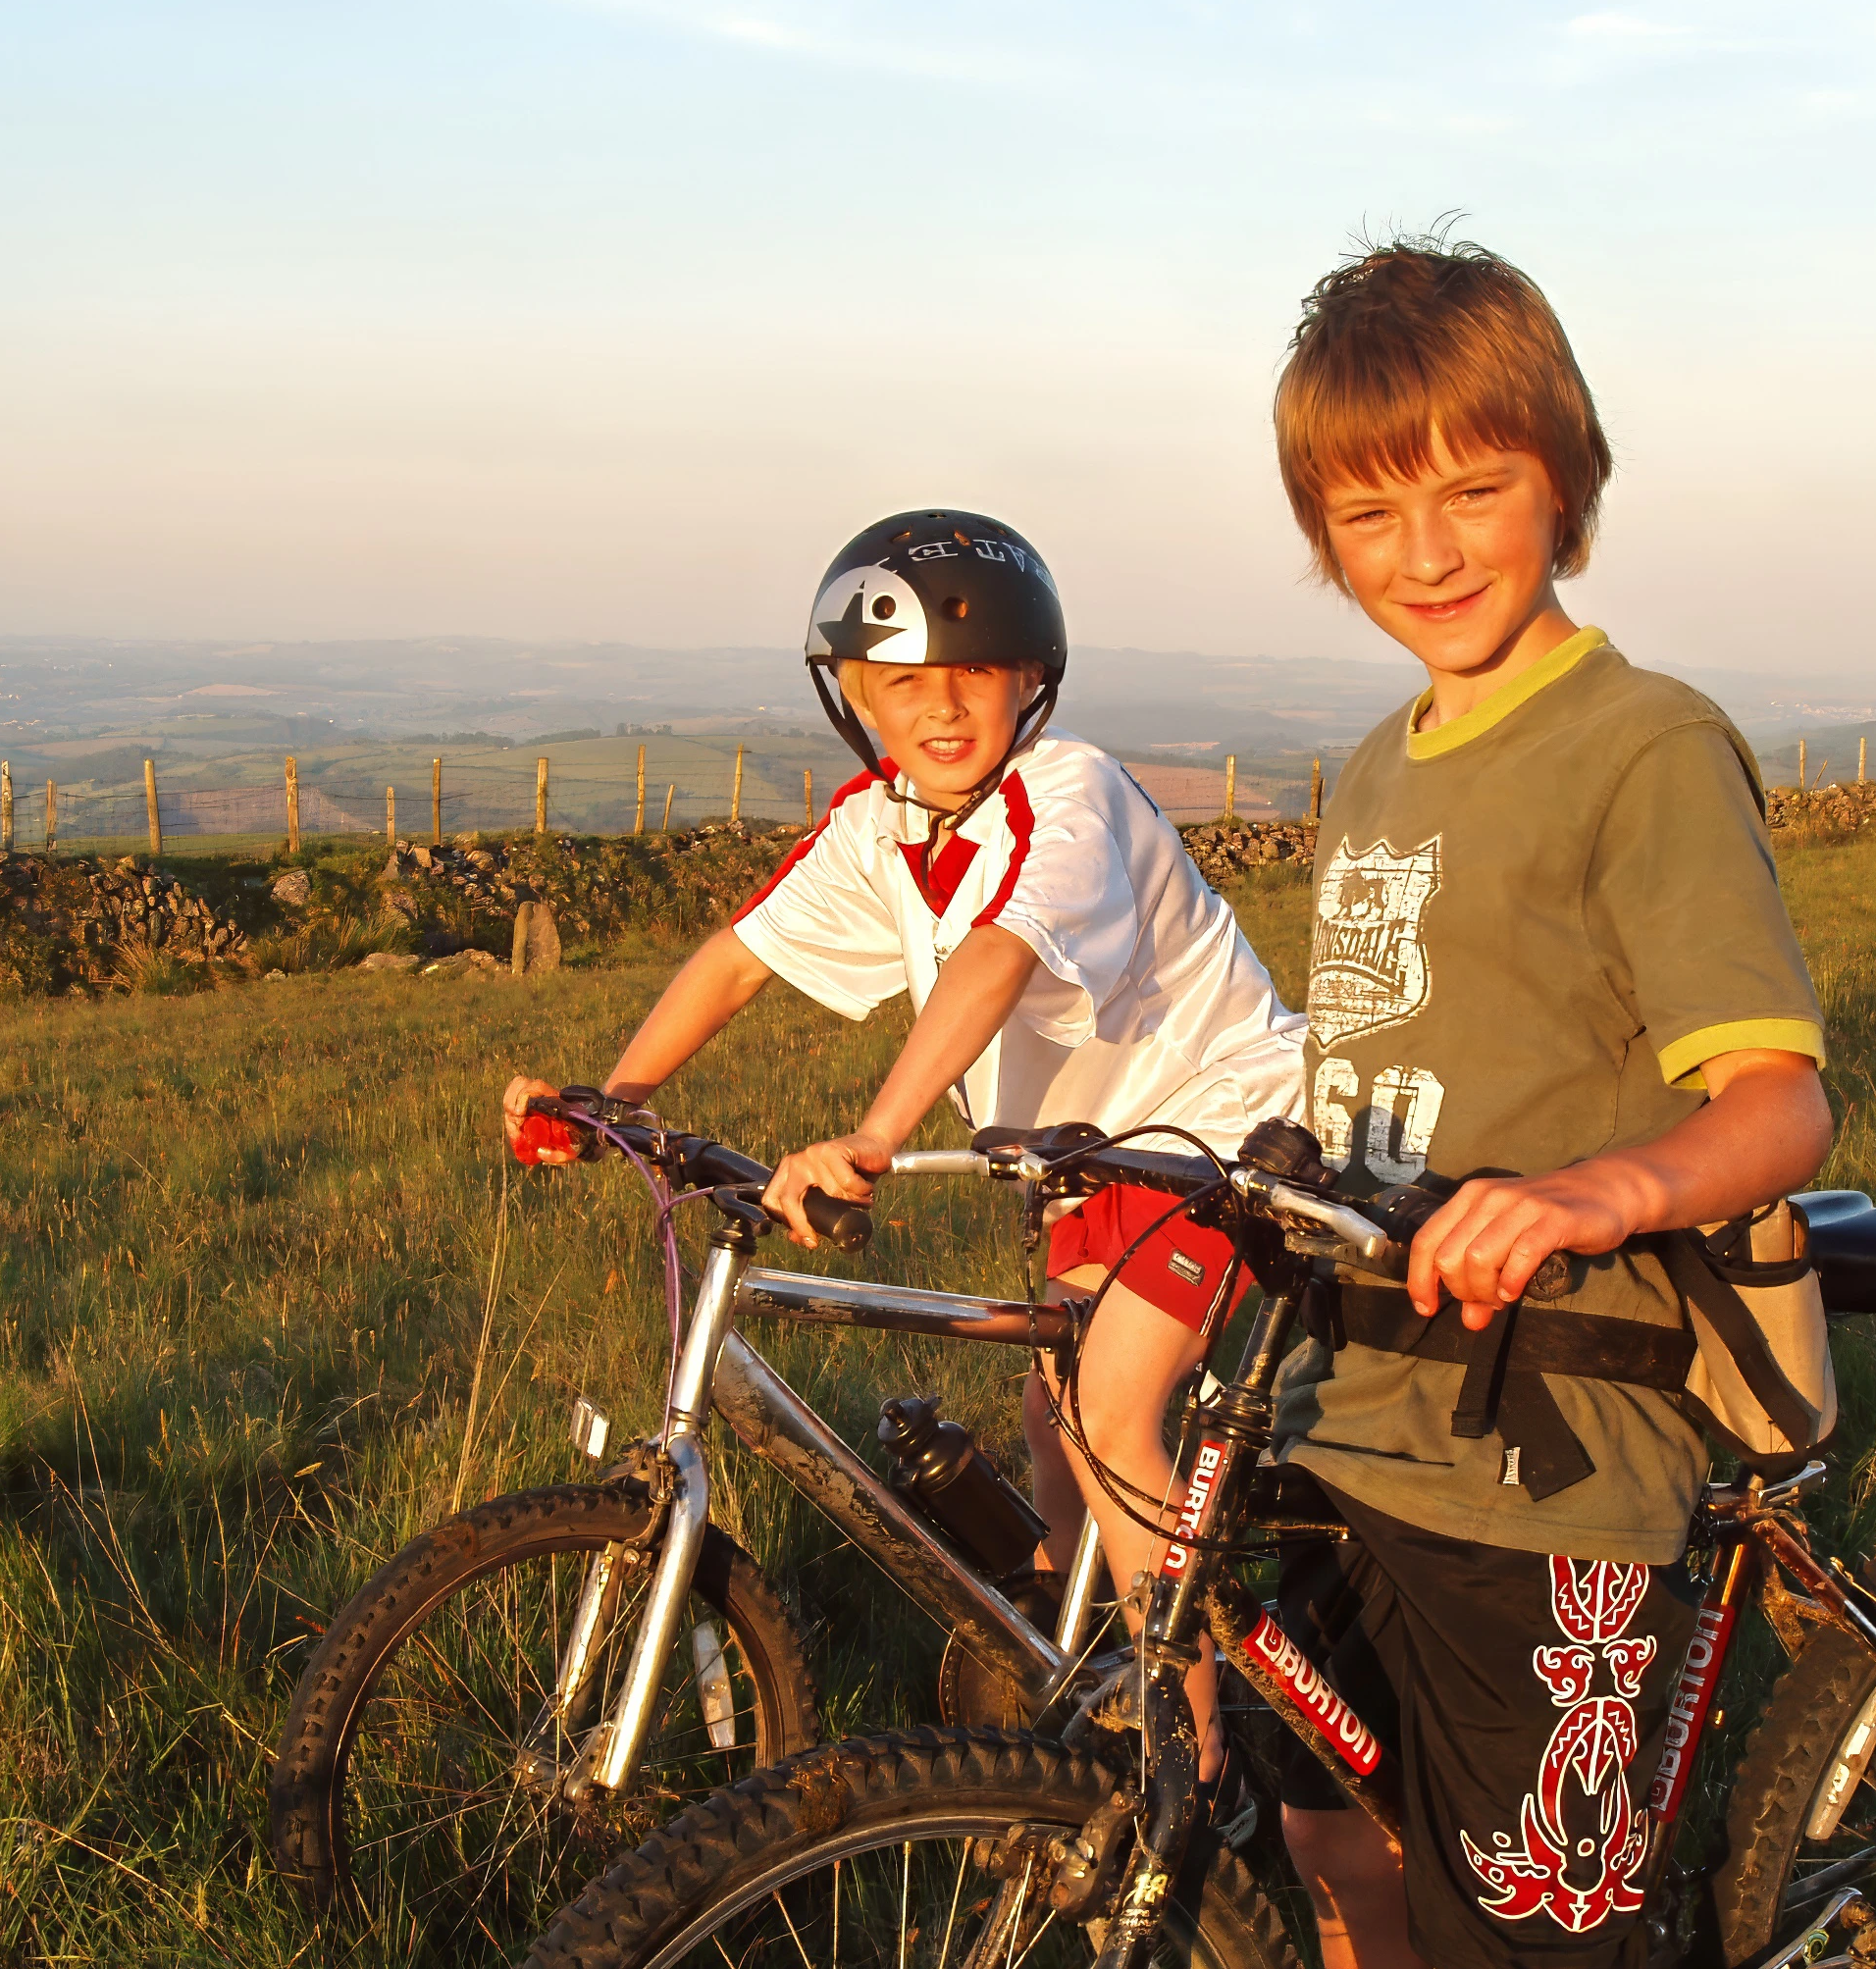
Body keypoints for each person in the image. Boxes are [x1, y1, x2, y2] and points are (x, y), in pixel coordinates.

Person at [1260, 239, 1834, 1969]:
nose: (1424, 550)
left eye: (1471, 489)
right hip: (1353, 1408)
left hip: (1554, 1442)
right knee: (1338, 1827)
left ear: (1563, 479)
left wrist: (1597, 1186)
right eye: (1368, 508)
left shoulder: (1641, 744)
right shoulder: (1364, 771)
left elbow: (1777, 1098)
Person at [501, 508, 1305, 1763]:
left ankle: (1184, 1766)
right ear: (854, 697)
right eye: (902, 682)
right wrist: (615, 1097)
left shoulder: (1066, 793)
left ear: (1031, 680)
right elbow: (739, 956)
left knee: (1110, 1410)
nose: (941, 708)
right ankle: (1074, 1652)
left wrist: (873, 1138)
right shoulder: (883, 825)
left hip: (1215, 1134)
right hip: (1087, 1160)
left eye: (973, 674)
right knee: (1055, 1419)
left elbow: (995, 956)